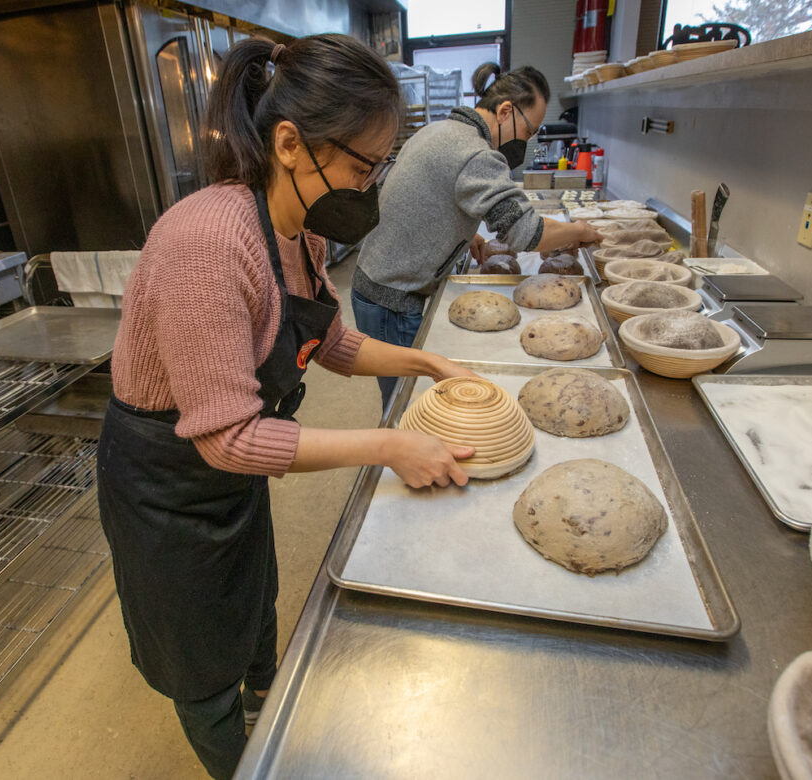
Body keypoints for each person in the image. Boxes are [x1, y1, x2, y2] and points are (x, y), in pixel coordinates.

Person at [96, 35, 476, 780]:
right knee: (198, 655)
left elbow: (330, 341)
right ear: (291, 144)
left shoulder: (293, 232)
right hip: (168, 486)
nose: (371, 187)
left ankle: (265, 691)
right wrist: (388, 443)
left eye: (381, 166)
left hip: (228, 478)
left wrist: (426, 361)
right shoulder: (208, 242)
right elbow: (229, 439)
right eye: (363, 165)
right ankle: (242, 756)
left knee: (253, 599)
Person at [351, 62, 603, 402]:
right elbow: (524, 233)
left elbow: (428, 197)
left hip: (375, 284)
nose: (525, 143)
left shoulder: (439, 131)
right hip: (392, 300)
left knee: (409, 395)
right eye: (528, 132)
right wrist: (578, 231)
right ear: (504, 111)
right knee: (408, 403)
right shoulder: (475, 153)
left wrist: (469, 235)